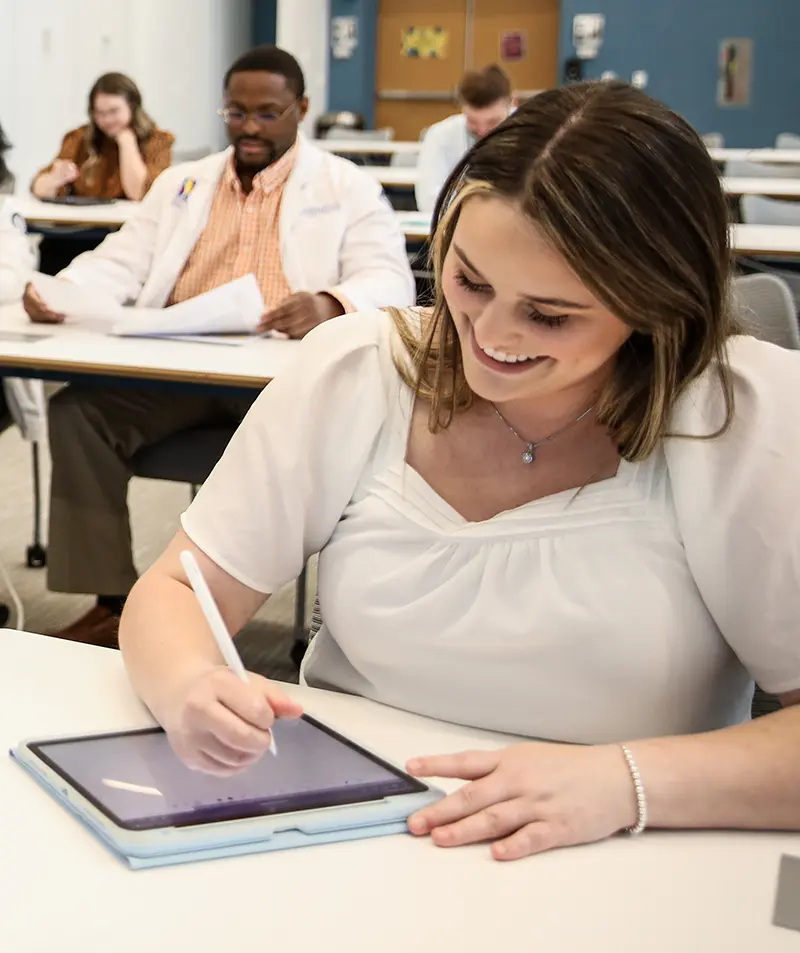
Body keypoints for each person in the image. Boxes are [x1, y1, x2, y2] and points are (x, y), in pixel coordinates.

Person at [119, 80, 800, 860]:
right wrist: (187, 685)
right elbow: (177, 589)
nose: (491, 335)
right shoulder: (359, 368)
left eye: (550, 313)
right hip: (355, 837)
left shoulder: (739, 417)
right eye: (469, 280)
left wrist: (626, 782)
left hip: (628, 856)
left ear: (657, 303)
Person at [23, 45, 415, 647]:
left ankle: (303, 621)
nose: (249, 127)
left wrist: (331, 301)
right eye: (235, 113)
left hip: (284, 385)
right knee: (80, 412)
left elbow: (391, 278)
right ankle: (113, 604)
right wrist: (60, 291)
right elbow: (119, 262)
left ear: (301, 109)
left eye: (267, 113)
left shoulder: (346, 187)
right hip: (183, 370)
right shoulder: (183, 183)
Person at [32, 72, 173, 203]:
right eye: (99, 113)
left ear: (133, 107)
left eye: (114, 111)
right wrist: (55, 179)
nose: (107, 120)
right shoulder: (79, 138)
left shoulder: (158, 141)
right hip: (84, 225)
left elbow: (140, 194)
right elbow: (37, 187)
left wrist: (127, 142)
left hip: (128, 226)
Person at [415, 65, 514, 214]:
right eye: (473, 122)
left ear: (512, 103)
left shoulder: (533, 132)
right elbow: (429, 200)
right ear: (462, 108)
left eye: (493, 122)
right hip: (458, 225)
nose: (482, 131)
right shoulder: (440, 135)